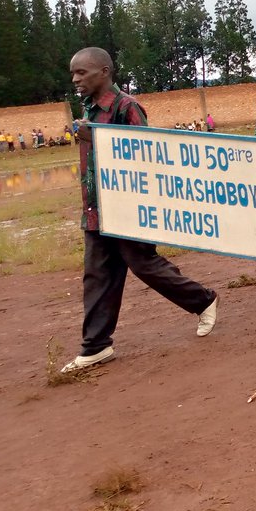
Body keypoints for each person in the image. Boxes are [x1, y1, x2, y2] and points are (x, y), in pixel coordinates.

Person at [60, 47, 219, 373]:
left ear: (104, 71)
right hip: (97, 205)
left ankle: (204, 300)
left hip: (127, 206)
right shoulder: (88, 107)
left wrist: (96, 136)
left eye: (82, 73)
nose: (75, 79)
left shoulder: (127, 106)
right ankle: (96, 346)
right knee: (97, 275)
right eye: (73, 73)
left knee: (143, 264)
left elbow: (143, 152)